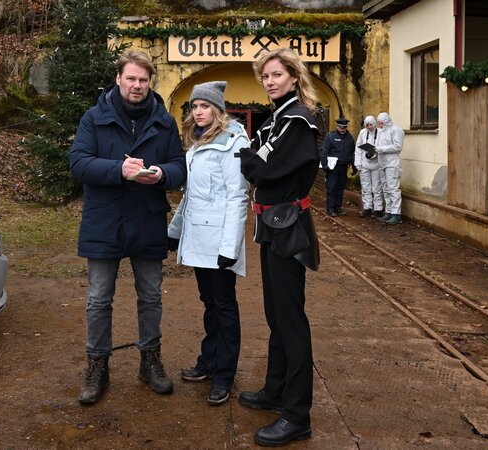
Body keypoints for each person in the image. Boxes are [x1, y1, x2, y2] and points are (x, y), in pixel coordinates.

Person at [69, 50, 186, 405]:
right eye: (131, 78)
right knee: (98, 298)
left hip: (147, 219)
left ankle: (150, 361)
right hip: (104, 220)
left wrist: (161, 174)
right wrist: (117, 170)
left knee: (150, 296)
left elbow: (179, 167)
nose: (137, 85)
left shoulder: (164, 121)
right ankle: (97, 366)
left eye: (143, 80)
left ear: (150, 82)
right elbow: (79, 162)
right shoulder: (95, 117)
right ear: (118, 78)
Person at [237, 48, 321, 447]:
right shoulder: (277, 119)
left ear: (293, 77)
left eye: (276, 75)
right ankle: (275, 390)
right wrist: (253, 161)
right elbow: (255, 161)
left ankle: (297, 415)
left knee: (291, 320)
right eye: (265, 76)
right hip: (272, 224)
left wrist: (252, 162)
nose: (269, 81)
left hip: (289, 226)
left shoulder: (298, 120)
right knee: (275, 314)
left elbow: (261, 168)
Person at [167, 81, 250, 406]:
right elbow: (192, 196)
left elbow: (237, 196)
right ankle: (209, 360)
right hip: (199, 237)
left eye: (205, 106)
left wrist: (230, 248)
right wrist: (175, 231)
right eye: (195, 106)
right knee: (210, 302)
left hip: (218, 242)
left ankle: (224, 375)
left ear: (218, 109)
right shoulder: (199, 141)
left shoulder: (233, 141)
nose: (199, 112)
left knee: (224, 306)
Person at [320, 117, 356, 216]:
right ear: (337, 126)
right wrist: (324, 164)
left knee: (340, 188)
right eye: (341, 127)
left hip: (344, 166)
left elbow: (352, 152)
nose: (342, 129)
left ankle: (337, 207)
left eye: (344, 127)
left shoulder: (349, 137)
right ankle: (330, 209)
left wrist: (354, 166)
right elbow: (324, 150)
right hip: (333, 167)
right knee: (331, 187)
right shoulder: (330, 137)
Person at [374, 112, 405, 224]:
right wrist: (374, 151)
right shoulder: (381, 132)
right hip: (382, 163)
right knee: (386, 189)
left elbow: (397, 147)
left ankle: (396, 214)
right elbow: (378, 147)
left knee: (393, 189)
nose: (380, 125)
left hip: (392, 163)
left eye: (382, 123)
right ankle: (388, 211)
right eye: (379, 123)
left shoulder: (396, 130)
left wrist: (381, 149)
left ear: (387, 121)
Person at [356, 115, 384, 218]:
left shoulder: (380, 133)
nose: (369, 127)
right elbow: (358, 148)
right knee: (365, 187)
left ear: (374, 124)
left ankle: (378, 209)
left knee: (377, 187)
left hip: (377, 164)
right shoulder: (362, 133)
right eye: (367, 125)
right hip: (365, 164)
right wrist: (358, 163)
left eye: (371, 124)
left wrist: (375, 153)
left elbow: (383, 147)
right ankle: (367, 208)